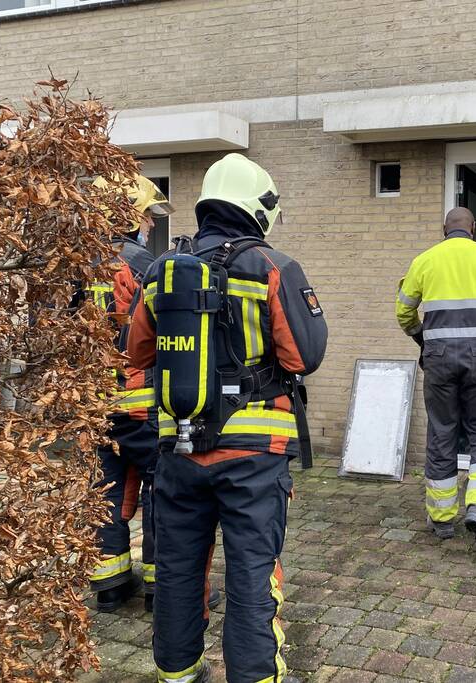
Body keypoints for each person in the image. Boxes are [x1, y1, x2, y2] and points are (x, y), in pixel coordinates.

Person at [128, 153, 326, 683]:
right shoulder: (273, 268)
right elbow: (303, 358)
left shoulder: (160, 271)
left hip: (177, 449)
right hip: (254, 458)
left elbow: (138, 352)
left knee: (176, 571)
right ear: (259, 207)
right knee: (251, 575)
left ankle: (179, 673)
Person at [396, 207, 476, 548]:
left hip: (437, 358)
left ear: (444, 230)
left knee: (442, 431)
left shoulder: (425, 260)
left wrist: (422, 336)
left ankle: (441, 519)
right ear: (473, 228)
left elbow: (403, 310)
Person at [86, 174, 173, 612]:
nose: (152, 226)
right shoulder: (146, 266)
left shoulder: (75, 267)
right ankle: (160, 588)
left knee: (105, 488)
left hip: (93, 404)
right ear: (126, 215)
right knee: (162, 486)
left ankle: (110, 585)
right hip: (142, 402)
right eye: (147, 215)